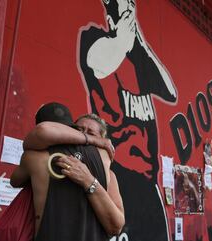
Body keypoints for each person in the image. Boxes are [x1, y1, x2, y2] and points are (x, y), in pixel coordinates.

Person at [77, 0, 177, 239]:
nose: (132, 18)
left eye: (133, 11)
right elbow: (99, 64)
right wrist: (125, 37)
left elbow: (170, 91)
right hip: (116, 175)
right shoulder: (94, 38)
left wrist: (140, 40)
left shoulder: (139, 62)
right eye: (125, 14)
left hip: (148, 182)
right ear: (112, 21)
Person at [11, 103, 124, 241]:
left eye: (91, 133)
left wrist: (89, 180)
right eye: (79, 130)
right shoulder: (40, 158)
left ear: (102, 140)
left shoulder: (108, 173)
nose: (83, 135)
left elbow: (116, 226)